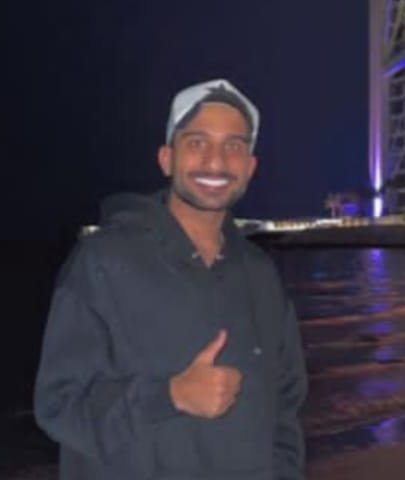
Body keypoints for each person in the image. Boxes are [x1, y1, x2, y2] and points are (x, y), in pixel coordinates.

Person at [34, 78, 308, 479]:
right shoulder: (102, 261)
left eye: (233, 146)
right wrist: (170, 395)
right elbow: (58, 407)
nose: (215, 162)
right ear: (167, 159)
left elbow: (285, 406)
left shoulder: (261, 272)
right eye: (197, 142)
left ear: (250, 166)